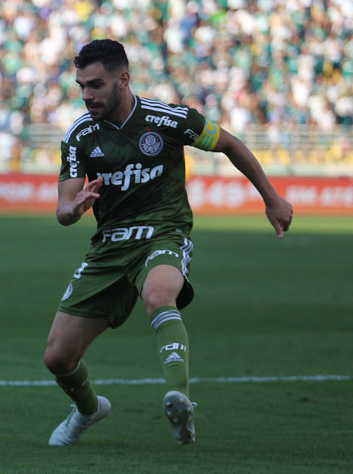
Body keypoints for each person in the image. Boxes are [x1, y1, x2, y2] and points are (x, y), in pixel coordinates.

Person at [45, 39, 293, 446]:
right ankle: (88, 411)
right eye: (81, 86)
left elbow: (229, 143)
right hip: (109, 247)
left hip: (164, 231)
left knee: (159, 294)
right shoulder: (80, 136)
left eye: (96, 84)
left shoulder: (168, 119)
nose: (87, 94)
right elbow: (62, 210)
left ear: (123, 80)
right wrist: (75, 209)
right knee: (57, 358)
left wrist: (271, 198)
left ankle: (181, 398)